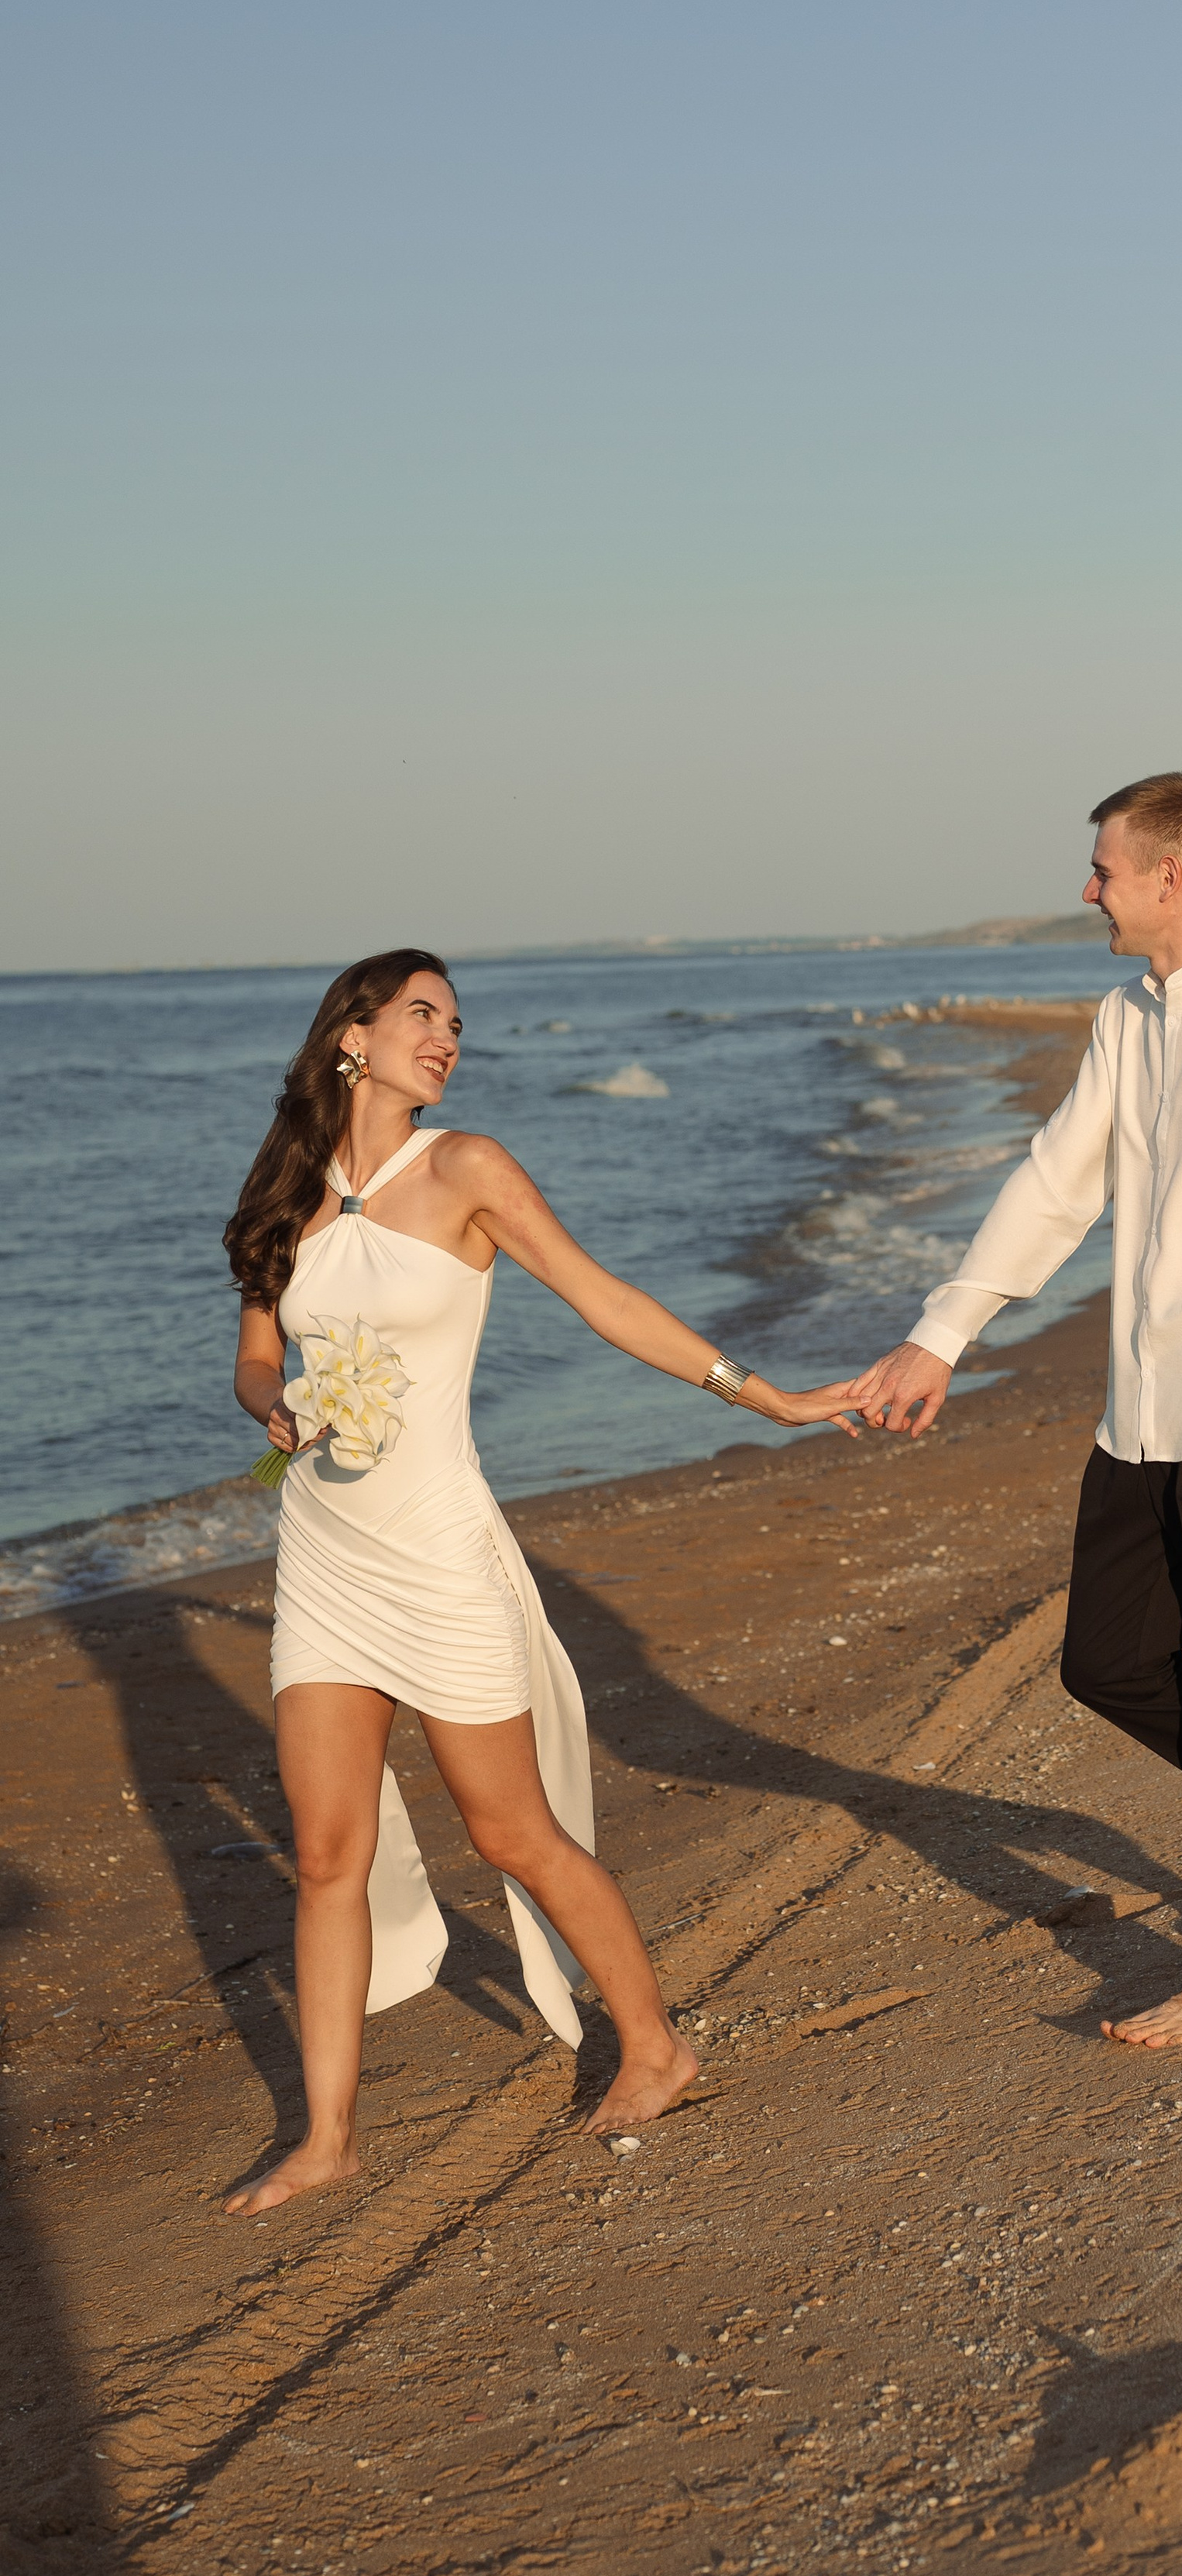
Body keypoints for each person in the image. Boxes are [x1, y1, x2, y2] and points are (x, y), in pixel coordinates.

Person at [223, 948, 858, 2216]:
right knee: (325, 1849)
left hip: (439, 1550)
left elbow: (599, 1298)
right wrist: (279, 1410)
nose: (447, 1039)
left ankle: (656, 2043)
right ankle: (330, 2135)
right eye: (422, 1016)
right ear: (351, 1033)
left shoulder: (468, 1169)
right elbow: (253, 1355)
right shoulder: (287, 1193)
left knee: (507, 1831)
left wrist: (763, 1392)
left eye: (457, 1024)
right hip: (327, 1557)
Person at [849, 776, 1182, 2048]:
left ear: (1171, 878)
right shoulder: (1127, 1017)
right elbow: (1054, 1185)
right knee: (1105, 1661)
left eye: (1102, 867)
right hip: (1138, 1414)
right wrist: (943, 1335)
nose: (1085, 887)